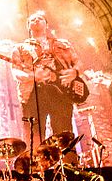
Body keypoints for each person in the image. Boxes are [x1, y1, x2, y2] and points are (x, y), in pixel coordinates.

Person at [10, 11, 88, 142]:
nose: (36, 20)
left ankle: (66, 156)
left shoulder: (63, 44)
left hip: (61, 93)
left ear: (47, 24)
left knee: (64, 134)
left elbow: (79, 63)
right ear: (28, 26)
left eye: (40, 18)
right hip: (33, 94)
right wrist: (33, 76)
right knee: (34, 135)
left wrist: (74, 72)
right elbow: (16, 72)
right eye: (32, 20)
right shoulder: (20, 48)